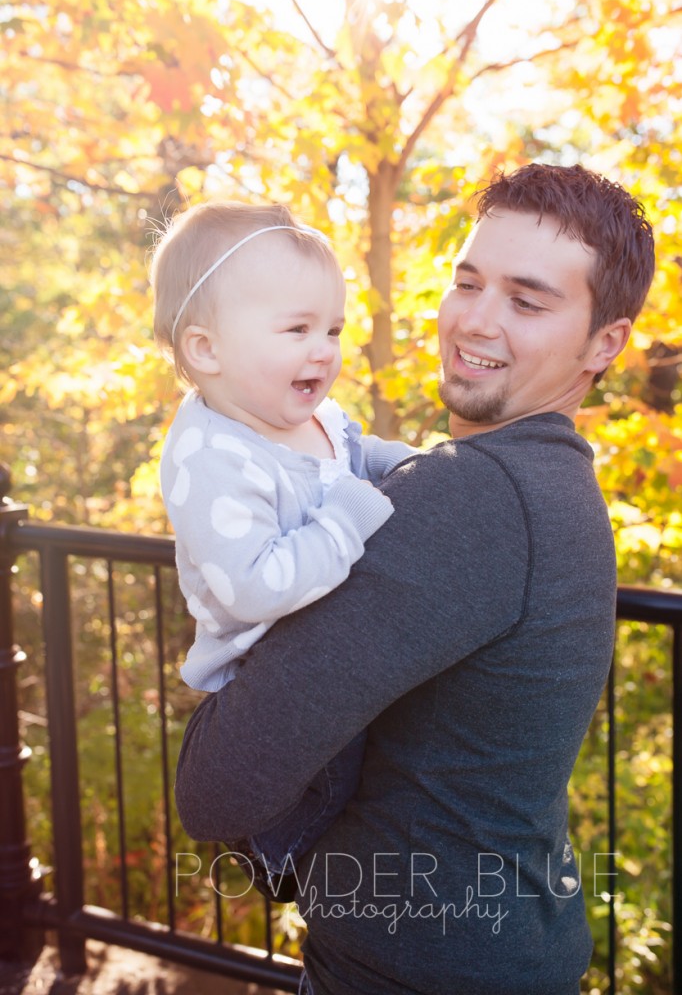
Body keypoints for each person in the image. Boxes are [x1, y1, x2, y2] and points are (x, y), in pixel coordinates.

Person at [174, 164, 656, 995]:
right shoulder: (554, 483)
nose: (476, 318)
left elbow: (219, 787)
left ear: (604, 344)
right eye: (468, 282)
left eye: (527, 301)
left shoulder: (471, 495)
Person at [151, 201, 413, 896]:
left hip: (326, 655)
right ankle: (277, 856)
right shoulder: (212, 455)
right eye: (296, 329)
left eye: (331, 328)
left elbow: (358, 456)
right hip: (267, 683)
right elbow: (256, 585)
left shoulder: (313, 416)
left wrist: (420, 467)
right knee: (327, 792)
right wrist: (344, 523)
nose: (323, 350)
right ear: (206, 350)